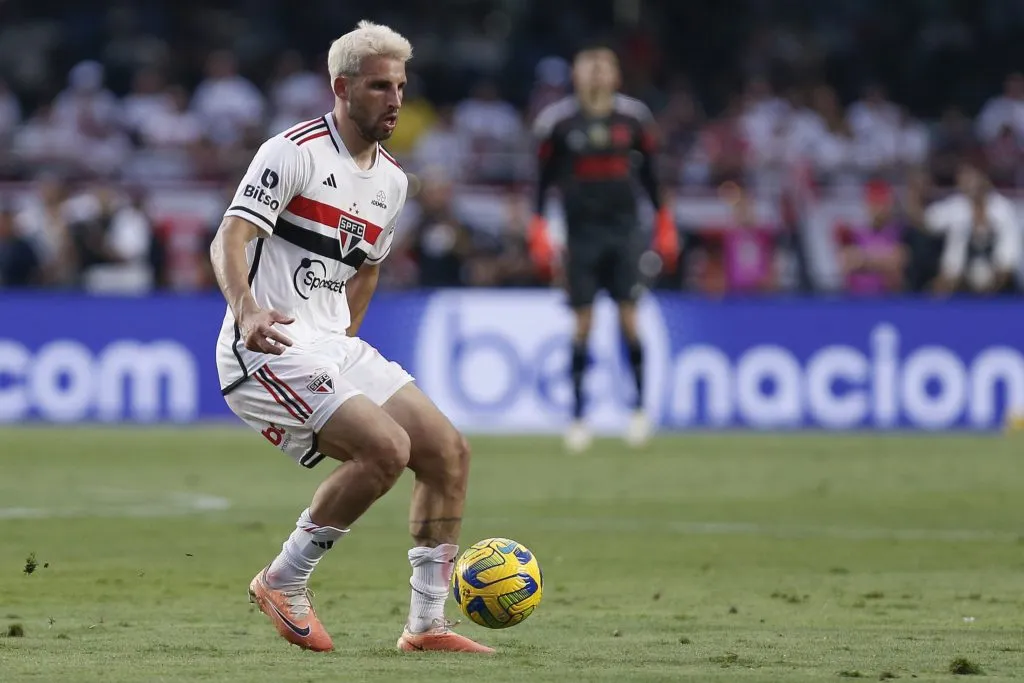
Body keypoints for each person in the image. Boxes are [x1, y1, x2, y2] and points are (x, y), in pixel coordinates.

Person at [208, 21, 492, 655]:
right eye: (379, 87)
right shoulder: (292, 152)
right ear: (341, 87)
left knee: (449, 453)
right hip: (266, 343)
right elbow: (229, 237)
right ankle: (284, 579)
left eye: (401, 86)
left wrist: (343, 340)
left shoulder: (392, 181)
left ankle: (426, 626)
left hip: (330, 342)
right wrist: (249, 310)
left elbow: (367, 266)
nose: (395, 100)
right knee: (386, 448)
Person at [528, 46, 679, 453]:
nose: (596, 74)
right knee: (582, 324)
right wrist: (539, 227)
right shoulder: (557, 122)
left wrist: (664, 223)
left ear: (615, 75)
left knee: (629, 318)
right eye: (588, 68)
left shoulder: (634, 118)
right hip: (580, 236)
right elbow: (541, 182)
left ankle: (639, 410)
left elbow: (651, 176)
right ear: (576, 76)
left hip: (625, 232)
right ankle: (578, 416)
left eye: (603, 67)